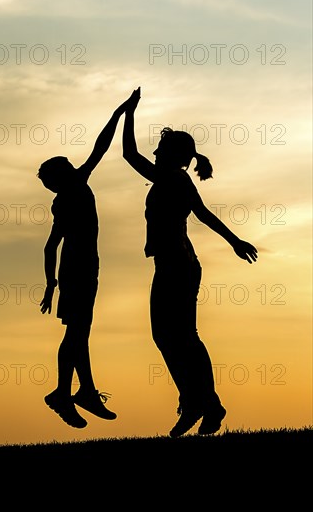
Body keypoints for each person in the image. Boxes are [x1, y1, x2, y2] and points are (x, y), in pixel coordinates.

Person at [122, 87, 258, 438]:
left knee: (179, 336)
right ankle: (200, 402)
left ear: (172, 156)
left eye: (160, 149)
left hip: (178, 266)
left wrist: (128, 112)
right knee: (170, 336)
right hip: (173, 264)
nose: (154, 152)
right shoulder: (174, 178)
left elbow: (129, 154)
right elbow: (204, 214)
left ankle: (203, 403)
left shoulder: (171, 177)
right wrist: (234, 242)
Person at [37, 95, 129, 429]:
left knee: (81, 333)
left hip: (82, 270)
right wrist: (52, 284)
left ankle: (86, 391)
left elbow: (50, 247)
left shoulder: (68, 193)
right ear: (65, 176)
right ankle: (64, 393)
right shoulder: (69, 194)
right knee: (76, 334)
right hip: (78, 271)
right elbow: (100, 148)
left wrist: (50, 284)